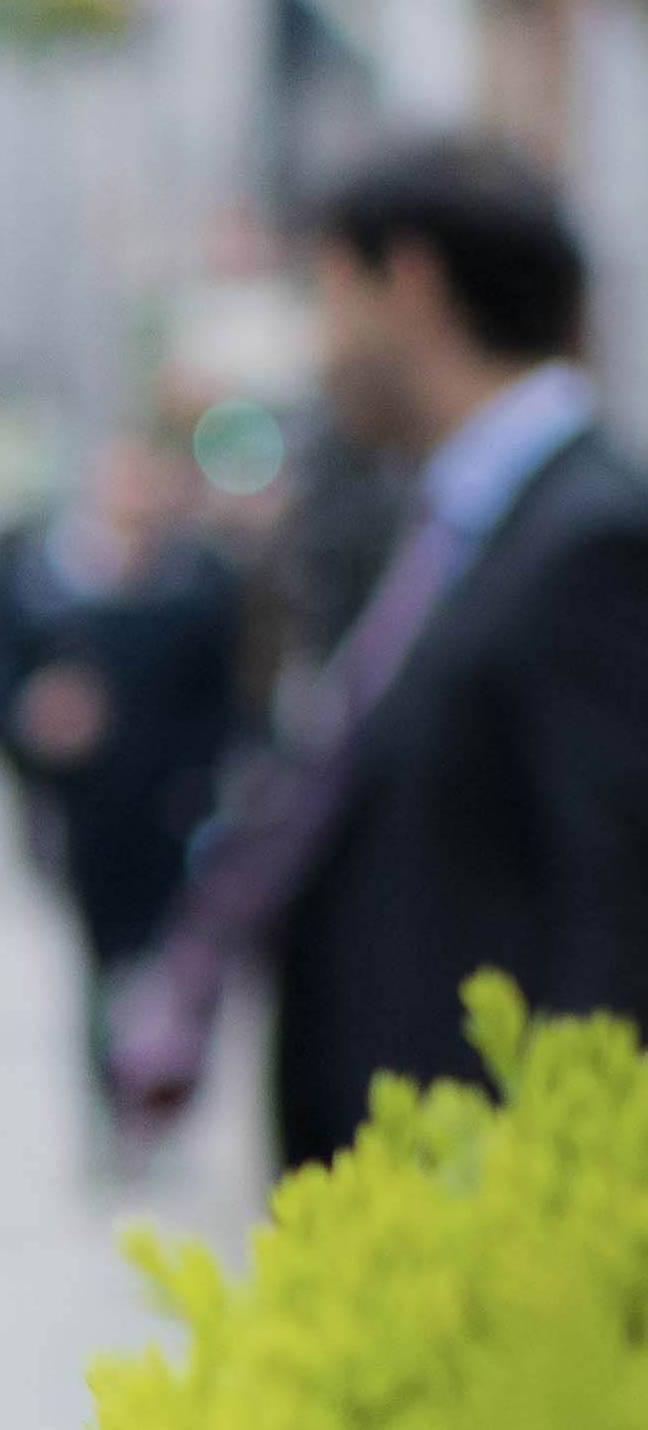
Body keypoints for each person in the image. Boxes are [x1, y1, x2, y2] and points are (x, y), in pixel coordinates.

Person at [109, 135, 648, 1169]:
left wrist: (553, 1197)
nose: (322, 348)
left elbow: (615, 913)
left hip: (492, 1207)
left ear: (408, 282)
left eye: (327, 297)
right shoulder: (452, 521)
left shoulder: (593, 540)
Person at [0, 427, 243, 1116]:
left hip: (170, 806)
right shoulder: (42, 578)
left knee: (166, 952)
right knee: (96, 960)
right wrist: (32, 718)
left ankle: (156, 1083)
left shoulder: (197, 579)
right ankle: (108, 1087)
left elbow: (224, 700)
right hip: (83, 809)